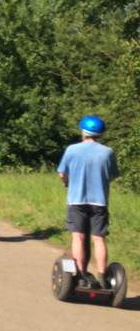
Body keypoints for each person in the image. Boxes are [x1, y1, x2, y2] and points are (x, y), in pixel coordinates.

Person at [57, 116, 120, 289]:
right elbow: (113, 175)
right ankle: (102, 277)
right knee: (99, 239)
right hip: (99, 202)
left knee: (78, 236)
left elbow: (62, 173)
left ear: (83, 131)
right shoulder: (108, 152)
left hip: (77, 200)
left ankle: (80, 276)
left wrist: (66, 183)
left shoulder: (72, 149)